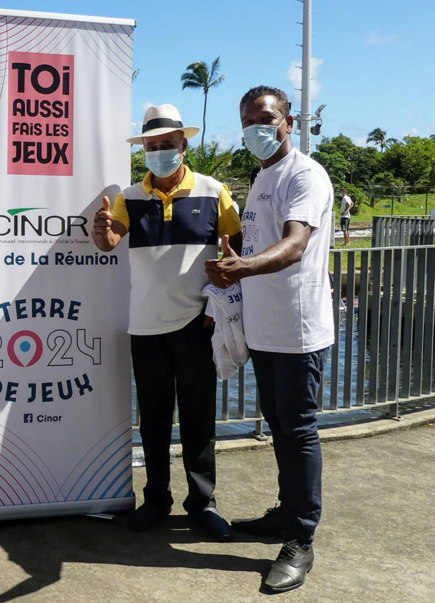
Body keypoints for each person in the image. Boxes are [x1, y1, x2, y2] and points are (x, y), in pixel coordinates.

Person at [205, 85, 335, 594]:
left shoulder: (305, 174)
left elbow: (295, 244)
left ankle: (301, 540)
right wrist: (229, 260)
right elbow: (254, 240)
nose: (254, 127)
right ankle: (286, 513)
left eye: (264, 117)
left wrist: (240, 269)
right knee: (280, 425)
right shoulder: (263, 177)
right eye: (246, 120)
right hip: (263, 331)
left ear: (287, 121)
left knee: (298, 429)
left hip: (298, 331)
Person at [92, 103, 242, 541]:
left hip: (199, 326)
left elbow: (237, 250)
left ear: (184, 145)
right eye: (151, 146)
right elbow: (109, 242)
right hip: (145, 327)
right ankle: (156, 499)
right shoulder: (130, 197)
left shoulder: (215, 191)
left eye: (167, 145)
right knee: (154, 421)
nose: (159, 152)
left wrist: (227, 280)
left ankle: (203, 504)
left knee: (199, 419)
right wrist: (101, 230)